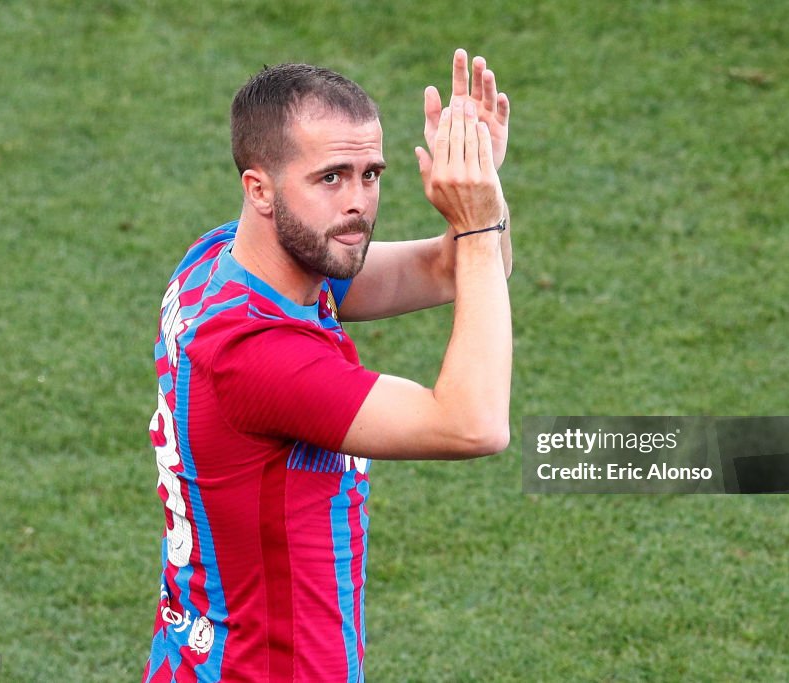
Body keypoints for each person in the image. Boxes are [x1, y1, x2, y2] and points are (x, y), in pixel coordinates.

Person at [143, 48, 512, 682]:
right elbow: (472, 424)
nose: (359, 204)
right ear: (258, 189)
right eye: (331, 177)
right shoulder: (255, 355)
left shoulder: (221, 263)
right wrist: (475, 228)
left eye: (371, 174)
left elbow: (455, 268)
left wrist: (483, 189)